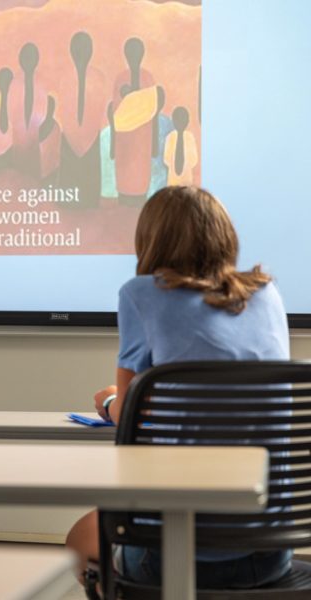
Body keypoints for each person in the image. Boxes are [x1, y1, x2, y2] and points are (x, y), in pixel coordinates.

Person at [65, 185, 291, 588]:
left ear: (150, 240)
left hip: (173, 553)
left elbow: (132, 417)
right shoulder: (267, 294)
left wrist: (110, 400)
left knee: (78, 538)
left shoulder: (141, 294)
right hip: (273, 552)